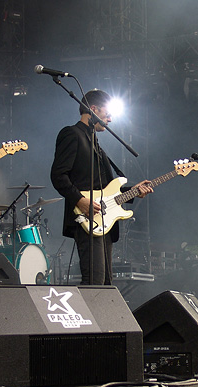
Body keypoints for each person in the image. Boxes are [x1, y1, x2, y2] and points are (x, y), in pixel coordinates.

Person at [50, 89, 153, 285]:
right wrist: (80, 200)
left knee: (105, 282)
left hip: (103, 219)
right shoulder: (72, 134)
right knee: (94, 281)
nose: (111, 119)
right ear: (93, 109)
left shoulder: (96, 144)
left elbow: (106, 189)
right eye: (108, 114)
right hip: (86, 216)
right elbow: (58, 175)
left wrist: (133, 190)